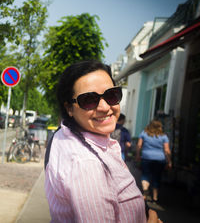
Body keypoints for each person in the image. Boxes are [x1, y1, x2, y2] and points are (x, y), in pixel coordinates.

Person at [45, 60, 161, 223]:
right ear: (69, 108)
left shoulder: (67, 135)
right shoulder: (87, 164)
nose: (105, 107)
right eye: (89, 100)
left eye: (111, 95)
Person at [136, 120, 172, 204]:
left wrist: (137, 155)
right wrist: (169, 161)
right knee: (157, 177)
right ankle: (155, 198)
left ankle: (145, 191)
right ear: (160, 127)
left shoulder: (144, 133)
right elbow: (167, 150)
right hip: (160, 159)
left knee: (145, 174)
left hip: (146, 157)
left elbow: (139, 145)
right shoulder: (164, 136)